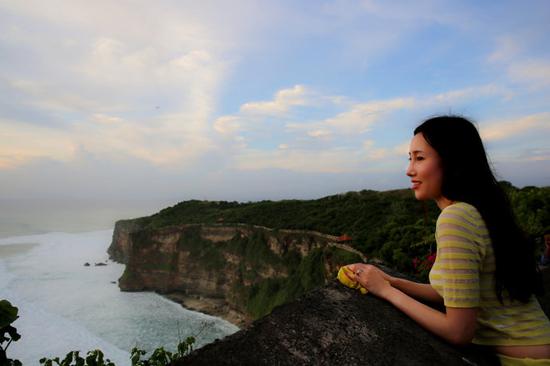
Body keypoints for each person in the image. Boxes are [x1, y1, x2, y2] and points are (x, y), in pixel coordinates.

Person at [345, 116, 550, 365]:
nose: (409, 170)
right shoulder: (478, 209)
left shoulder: (456, 218)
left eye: (419, 158)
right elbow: (453, 295)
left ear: (451, 161)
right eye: (409, 158)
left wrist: (385, 291)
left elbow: (458, 331)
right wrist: (392, 281)